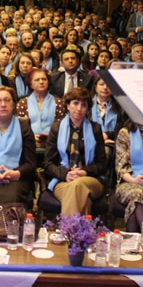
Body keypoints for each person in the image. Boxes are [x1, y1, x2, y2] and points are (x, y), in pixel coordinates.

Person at [44, 87, 106, 215]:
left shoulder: (95, 129)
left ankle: (67, 232)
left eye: (84, 105)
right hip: (62, 180)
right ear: (67, 105)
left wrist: (84, 172)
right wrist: (66, 174)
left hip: (90, 180)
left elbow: (102, 165)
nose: (79, 109)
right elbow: (48, 164)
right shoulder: (56, 128)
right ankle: (81, 233)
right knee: (80, 196)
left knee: (77, 185)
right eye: (75, 103)